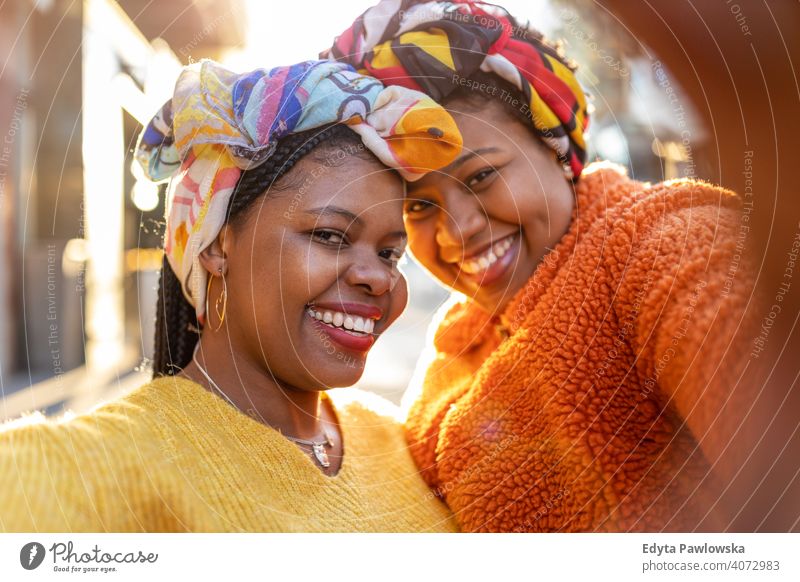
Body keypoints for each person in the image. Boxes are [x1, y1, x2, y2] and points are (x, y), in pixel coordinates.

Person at [324, 0, 757, 532]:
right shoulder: (459, 340)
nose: (458, 229)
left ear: (556, 148)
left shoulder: (658, 243)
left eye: (481, 178)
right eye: (419, 206)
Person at [0, 59, 463, 532]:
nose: (379, 278)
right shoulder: (87, 466)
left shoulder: (395, 436)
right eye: (328, 235)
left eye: (390, 253)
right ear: (217, 244)